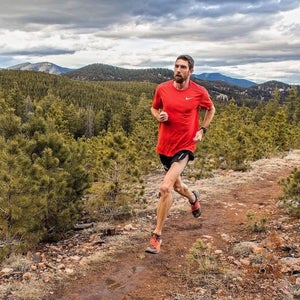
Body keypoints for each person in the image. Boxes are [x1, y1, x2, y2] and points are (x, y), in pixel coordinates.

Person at [145, 54, 216, 254]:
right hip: (164, 147)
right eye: (176, 66)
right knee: (177, 186)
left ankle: (156, 236)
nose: (178, 70)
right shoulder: (162, 88)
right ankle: (193, 198)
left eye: (183, 67)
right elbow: (154, 107)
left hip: (185, 147)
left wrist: (202, 130)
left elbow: (211, 110)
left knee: (165, 187)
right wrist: (159, 116)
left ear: (190, 71)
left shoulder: (199, 92)